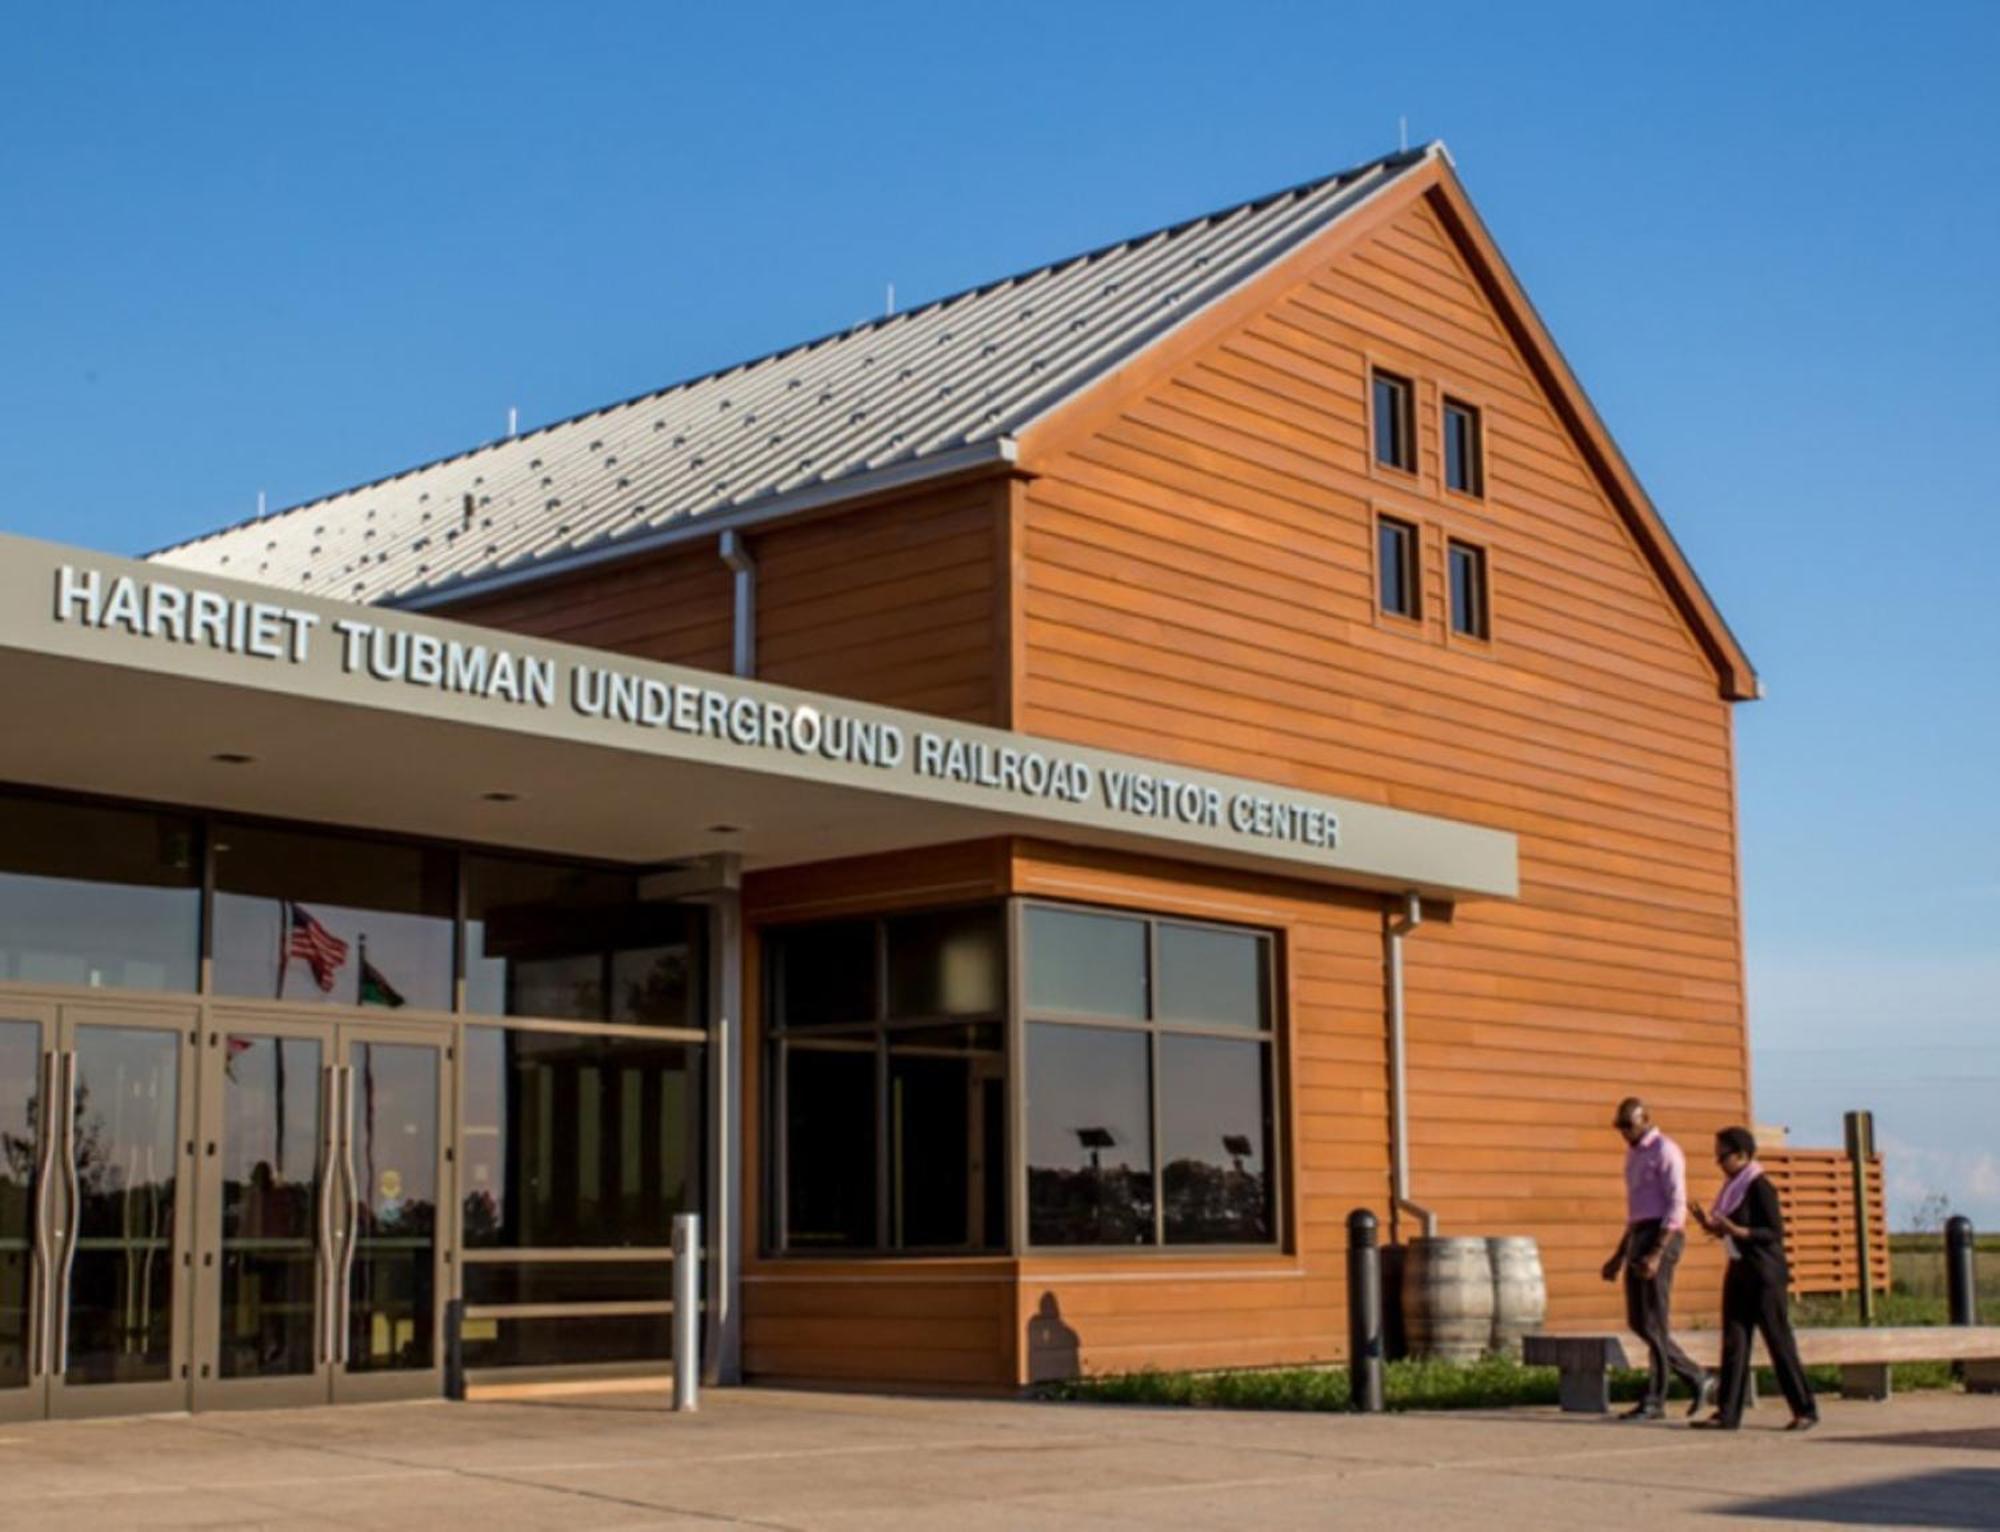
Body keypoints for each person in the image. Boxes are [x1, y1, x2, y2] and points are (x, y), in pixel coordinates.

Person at [1689, 1127, 1819, 1432]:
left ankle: (1804, 1409)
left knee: (1778, 1341)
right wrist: (1711, 1225)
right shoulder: (1731, 1187)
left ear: (1742, 1155)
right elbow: (1729, 1225)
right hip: (1738, 1269)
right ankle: (1728, 1412)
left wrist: (1739, 1232)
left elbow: (1773, 1231)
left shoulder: (1760, 1186)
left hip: (1764, 1273)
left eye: (1723, 1156)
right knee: (1734, 1341)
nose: (1719, 1163)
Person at [1602, 1096, 1714, 1420]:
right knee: (1638, 1321)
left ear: (1646, 1118)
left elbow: (1676, 1204)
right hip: (1639, 1234)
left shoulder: (1666, 1150)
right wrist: (1619, 1255)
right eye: (1619, 1126)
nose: (1624, 1132)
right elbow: (1637, 1213)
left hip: (1662, 1237)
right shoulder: (1633, 1155)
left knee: (1654, 1320)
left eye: (1629, 1125)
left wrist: (1656, 1252)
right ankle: (1696, 1376)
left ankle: (1655, 1399)